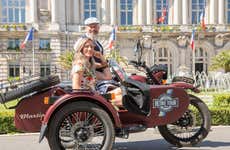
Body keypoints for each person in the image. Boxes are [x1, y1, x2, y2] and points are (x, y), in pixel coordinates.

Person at [72, 37, 122, 107]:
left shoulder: (90, 65)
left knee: (121, 90)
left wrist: (101, 57)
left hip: (95, 95)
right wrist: (90, 97)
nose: (90, 49)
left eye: (92, 47)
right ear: (81, 49)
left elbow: (108, 77)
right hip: (89, 98)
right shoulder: (79, 65)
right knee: (121, 98)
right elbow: (76, 88)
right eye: (87, 46)